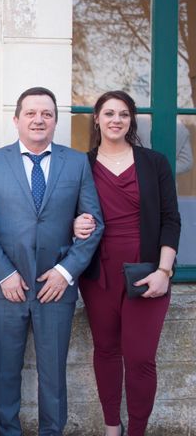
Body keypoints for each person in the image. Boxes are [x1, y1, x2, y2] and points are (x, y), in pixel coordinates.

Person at [0, 86, 104, 435]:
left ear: (56, 121)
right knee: (7, 371)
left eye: (46, 113)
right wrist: (4, 274)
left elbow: (94, 222)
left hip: (55, 288)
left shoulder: (75, 163)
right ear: (16, 120)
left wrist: (65, 272)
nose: (38, 119)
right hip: (8, 289)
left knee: (53, 373)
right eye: (30, 113)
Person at [74, 90, 180, 436]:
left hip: (147, 271)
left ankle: (136, 430)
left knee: (139, 357)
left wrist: (164, 271)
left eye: (123, 114)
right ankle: (111, 427)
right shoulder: (82, 165)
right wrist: (74, 224)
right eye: (109, 113)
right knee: (106, 350)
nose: (115, 120)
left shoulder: (154, 163)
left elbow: (170, 219)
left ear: (131, 119)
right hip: (99, 273)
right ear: (97, 119)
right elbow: (67, 214)